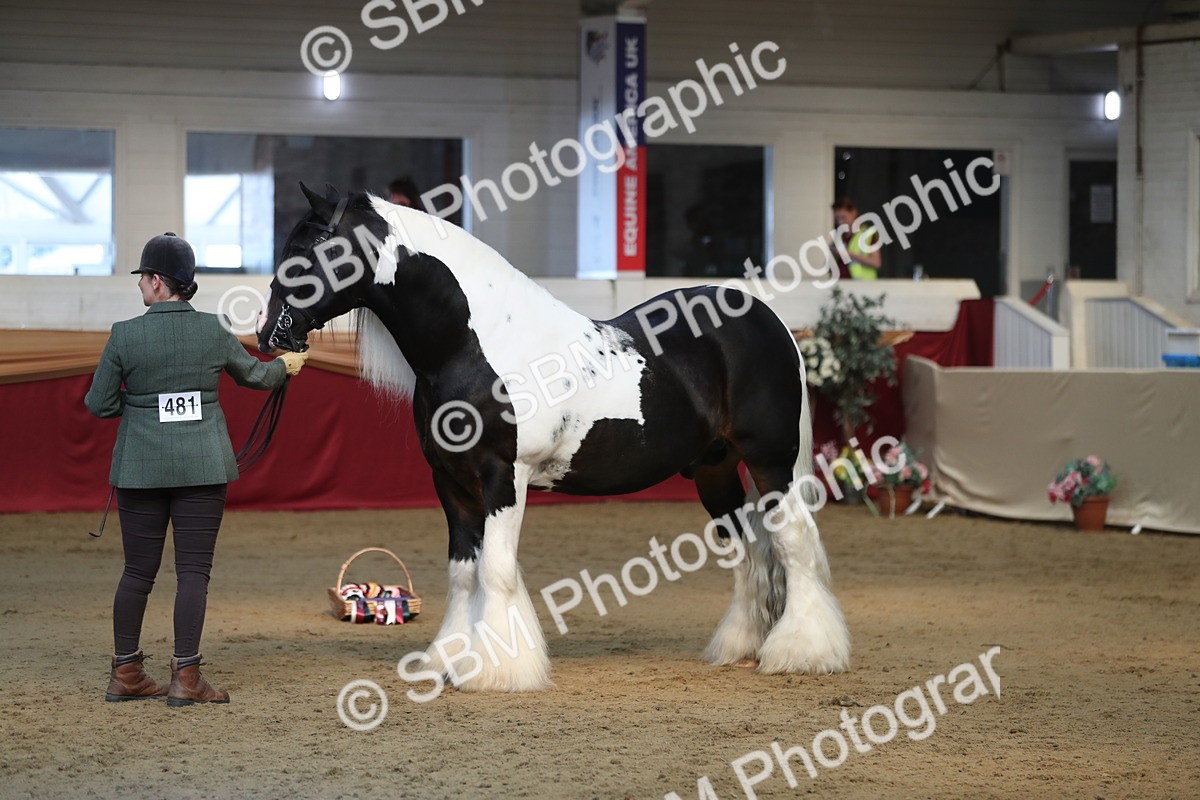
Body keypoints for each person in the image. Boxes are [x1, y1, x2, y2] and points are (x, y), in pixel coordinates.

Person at [85, 232, 308, 706]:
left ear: (160, 282)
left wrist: (142, 406)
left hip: (140, 470)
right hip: (202, 467)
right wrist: (288, 364)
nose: (140, 285)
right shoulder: (212, 329)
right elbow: (258, 376)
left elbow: (98, 403)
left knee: (137, 573)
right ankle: (186, 678)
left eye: (144, 276)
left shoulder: (125, 333)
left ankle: (125, 671)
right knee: (193, 573)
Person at [832, 197, 882, 280]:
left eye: (844, 218)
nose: (840, 222)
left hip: (862, 285)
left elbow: (876, 262)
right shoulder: (839, 237)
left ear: (854, 213)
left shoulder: (867, 234)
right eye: (837, 219)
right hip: (841, 284)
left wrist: (848, 254)